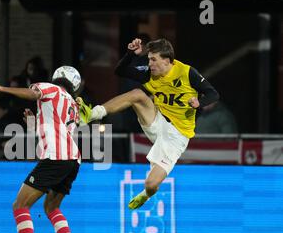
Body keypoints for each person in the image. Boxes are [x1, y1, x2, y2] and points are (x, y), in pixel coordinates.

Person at [79, 38, 220, 210]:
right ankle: (92, 113)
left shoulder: (187, 72)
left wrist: (199, 102)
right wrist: (130, 53)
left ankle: (146, 195)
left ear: (167, 60)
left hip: (177, 136)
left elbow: (213, 94)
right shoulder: (149, 74)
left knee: (151, 184)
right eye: (149, 59)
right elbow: (120, 70)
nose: (149, 63)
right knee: (137, 94)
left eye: (153, 59)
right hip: (158, 120)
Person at [0, 66, 83, 233]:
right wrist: (34, 123)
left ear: (57, 77)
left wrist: (2, 89)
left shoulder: (51, 88)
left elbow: (33, 93)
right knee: (51, 207)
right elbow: (58, 131)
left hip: (56, 156)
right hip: (73, 160)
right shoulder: (72, 104)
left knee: (20, 204)